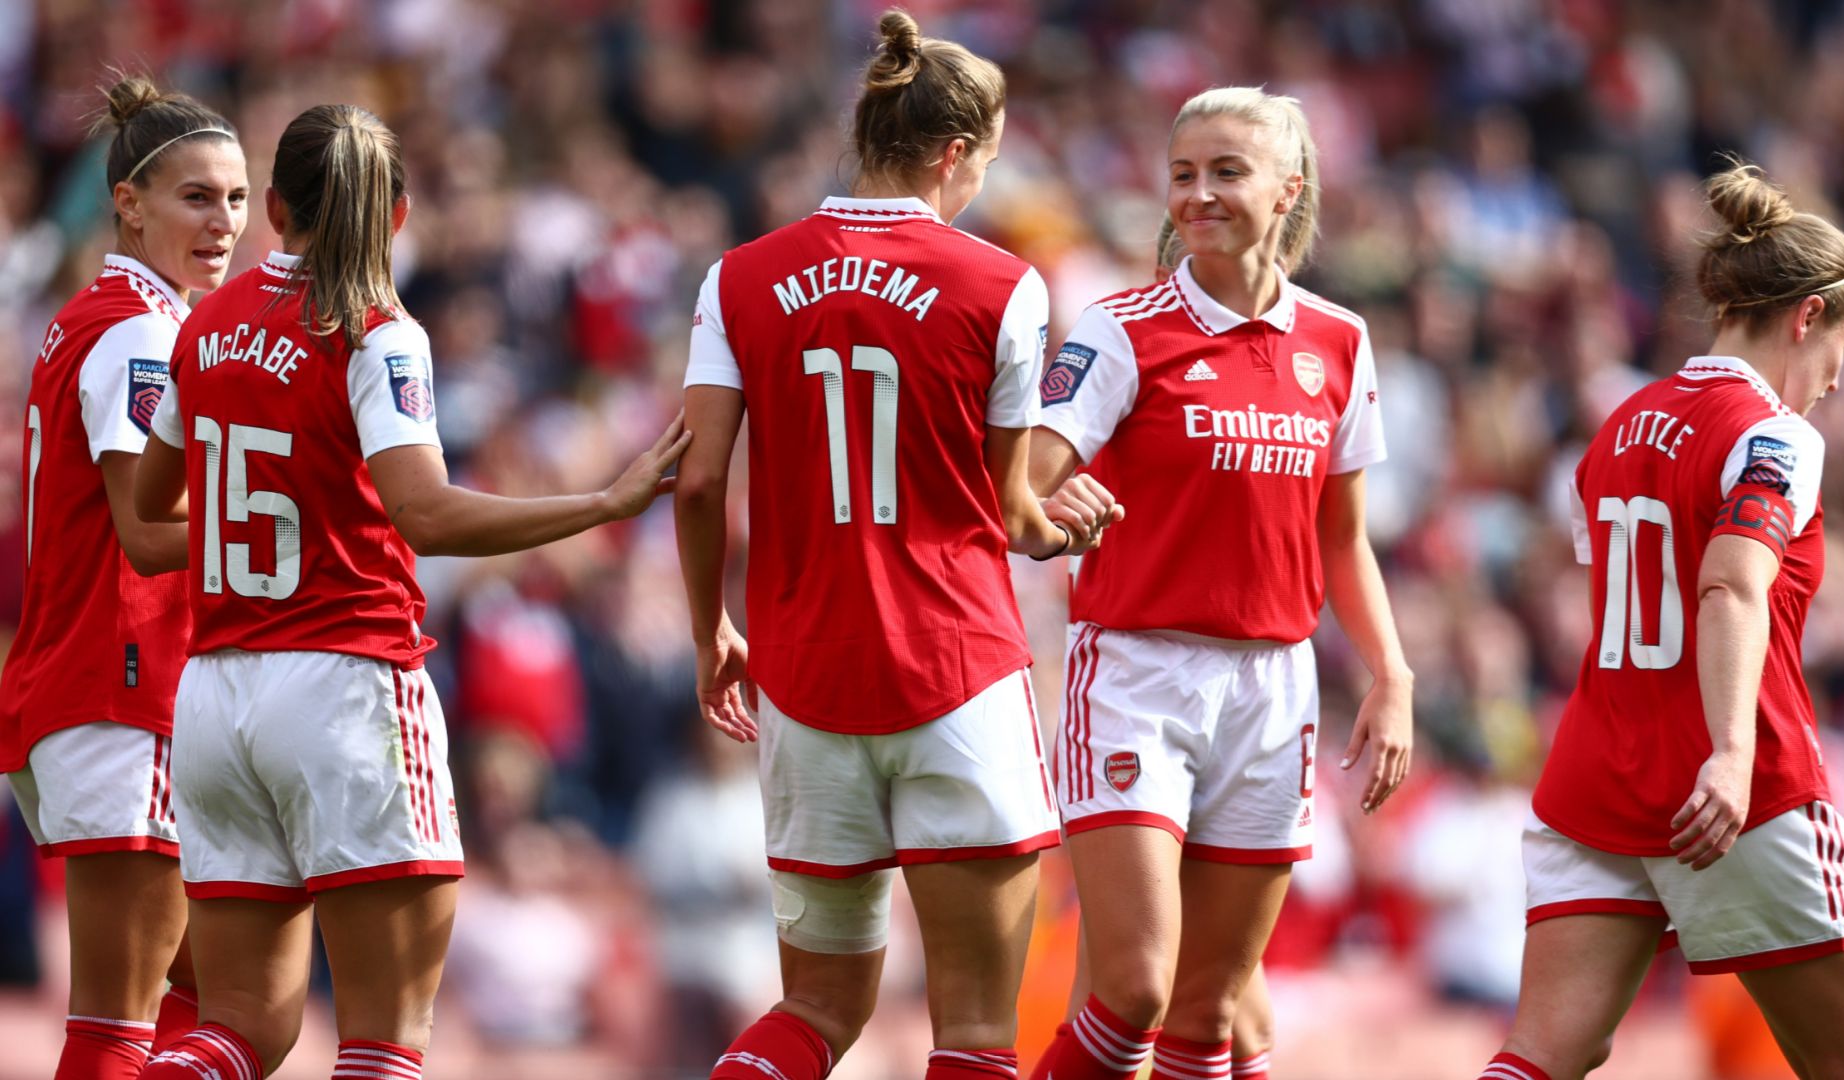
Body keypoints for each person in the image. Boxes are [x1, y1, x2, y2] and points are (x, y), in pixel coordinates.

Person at [128, 103, 689, 1080]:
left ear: (273, 208)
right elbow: (426, 516)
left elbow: (149, 516)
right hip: (346, 687)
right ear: (397, 216)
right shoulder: (378, 327)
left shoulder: (205, 321)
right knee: (386, 1041)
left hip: (217, 696)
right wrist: (605, 499)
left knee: (241, 1031)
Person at [675, 11, 1118, 1080]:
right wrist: (1072, 527)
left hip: (806, 675)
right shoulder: (1003, 286)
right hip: (954, 671)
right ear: (956, 154)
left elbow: (696, 480)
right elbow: (1015, 515)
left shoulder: (739, 278)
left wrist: (711, 633)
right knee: (973, 1029)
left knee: (818, 1010)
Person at [1028, 88, 1415, 1080]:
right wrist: (1047, 509)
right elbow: (1024, 478)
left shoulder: (1338, 341)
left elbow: (1344, 534)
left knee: (1210, 1013)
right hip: (1135, 677)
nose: (1198, 196)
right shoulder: (1120, 329)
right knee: (1135, 991)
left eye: (1226, 173)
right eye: (1184, 174)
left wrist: (1392, 676)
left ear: (1289, 188)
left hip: (1275, 686)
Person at [1475, 163, 1844, 1080]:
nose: (1836, 383)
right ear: (1809, 316)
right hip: (1735, 783)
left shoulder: (1618, 423)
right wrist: (1733, 753)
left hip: (1597, 773)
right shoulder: (1777, 436)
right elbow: (1729, 588)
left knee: (1542, 1054)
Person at [0, 73, 246, 1079]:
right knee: (119, 1026)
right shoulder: (143, 334)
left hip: (95, 685)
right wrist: (300, 525)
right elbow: (148, 527)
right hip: (123, 682)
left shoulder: (96, 318)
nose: (223, 221)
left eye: (236, 197)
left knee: (215, 1003)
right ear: (128, 203)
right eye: (196, 197)